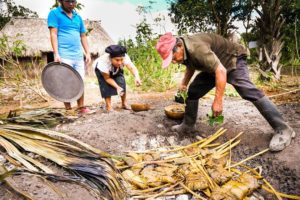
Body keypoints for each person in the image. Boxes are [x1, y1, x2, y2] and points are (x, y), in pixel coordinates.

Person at [155, 32, 296, 151]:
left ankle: (283, 128)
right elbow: (191, 65)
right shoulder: (184, 50)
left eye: (172, 57)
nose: (173, 61)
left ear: (178, 46)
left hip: (232, 59)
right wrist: (184, 84)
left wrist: (218, 101)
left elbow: (220, 70)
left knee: (247, 91)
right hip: (215, 65)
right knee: (193, 91)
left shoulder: (197, 49)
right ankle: (188, 125)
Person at [47, 0, 92, 114]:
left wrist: (87, 53)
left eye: (73, 1)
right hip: (64, 54)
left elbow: (83, 36)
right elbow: (53, 34)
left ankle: (81, 107)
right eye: (68, 1)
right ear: (61, 1)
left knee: (80, 81)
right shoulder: (55, 14)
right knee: (65, 82)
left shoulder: (78, 17)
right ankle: (68, 109)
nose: (71, 4)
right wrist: (56, 53)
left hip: (78, 55)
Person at [93, 45, 141, 112]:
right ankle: (108, 106)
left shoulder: (125, 57)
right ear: (111, 58)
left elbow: (132, 67)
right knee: (105, 85)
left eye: (121, 60)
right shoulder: (103, 62)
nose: (120, 62)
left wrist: (137, 77)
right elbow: (107, 79)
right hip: (101, 70)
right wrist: (117, 87)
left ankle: (124, 103)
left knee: (121, 81)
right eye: (117, 60)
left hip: (115, 69)